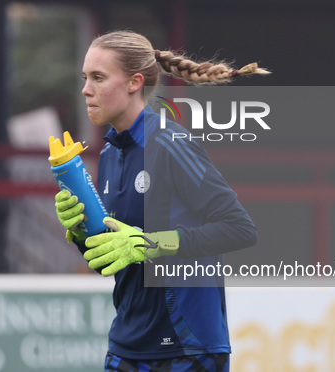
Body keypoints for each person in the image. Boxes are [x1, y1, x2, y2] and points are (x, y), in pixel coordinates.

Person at [54, 30, 268, 372]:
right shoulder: (110, 153)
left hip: (186, 349)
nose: (86, 90)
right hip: (126, 346)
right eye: (84, 78)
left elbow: (239, 229)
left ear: (134, 82)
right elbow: (110, 259)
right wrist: (81, 230)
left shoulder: (171, 142)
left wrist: (147, 244)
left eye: (98, 78)